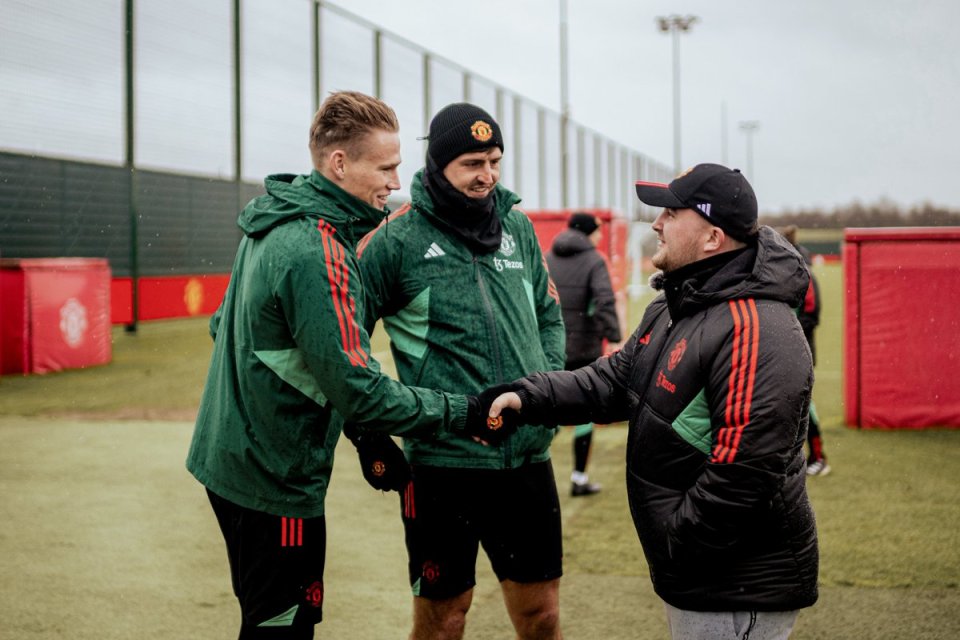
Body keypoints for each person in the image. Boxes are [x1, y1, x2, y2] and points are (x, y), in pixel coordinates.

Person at [185, 91, 510, 639]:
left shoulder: (277, 216)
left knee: (270, 617)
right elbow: (358, 386)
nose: (394, 181)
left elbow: (226, 327)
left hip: (228, 458)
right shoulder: (318, 246)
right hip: (273, 474)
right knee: (285, 626)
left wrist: (364, 435)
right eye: (384, 167)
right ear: (339, 163)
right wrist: (465, 411)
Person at [489, 164, 819, 640]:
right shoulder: (674, 304)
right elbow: (615, 380)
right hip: (696, 575)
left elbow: (747, 471)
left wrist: (677, 540)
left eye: (670, 212)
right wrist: (527, 395)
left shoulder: (757, 326)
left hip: (733, 582)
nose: (656, 223)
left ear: (712, 238)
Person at [355, 102, 566, 640]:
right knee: (444, 618)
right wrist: (368, 433)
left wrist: (549, 391)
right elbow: (342, 344)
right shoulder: (394, 240)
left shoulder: (516, 226)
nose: (488, 175)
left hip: (526, 457)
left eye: (495, 160)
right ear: (439, 164)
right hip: (442, 465)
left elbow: (547, 314)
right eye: (473, 163)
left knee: (540, 614)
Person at [545, 212, 622, 496]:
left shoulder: (546, 257)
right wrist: (614, 337)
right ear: (589, 232)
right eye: (598, 232)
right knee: (584, 412)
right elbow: (604, 300)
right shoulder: (594, 260)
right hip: (584, 350)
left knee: (543, 407)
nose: (601, 236)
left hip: (550, 347)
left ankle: (530, 472)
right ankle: (578, 478)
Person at [778, 225, 830, 476]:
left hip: (800, 350)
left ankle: (819, 457)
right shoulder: (781, 273)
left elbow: (812, 315)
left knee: (804, 403)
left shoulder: (803, 274)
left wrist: (791, 333)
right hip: (780, 350)